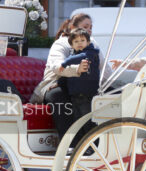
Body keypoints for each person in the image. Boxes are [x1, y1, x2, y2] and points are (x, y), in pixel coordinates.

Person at [32, 12, 102, 140]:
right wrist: (77, 69)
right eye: (85, 26)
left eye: (91, 27)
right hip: (54, 84)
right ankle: (70, 143)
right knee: (58, 94)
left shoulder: (92, 45)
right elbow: (57, 66)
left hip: (83, 85)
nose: (89, 30)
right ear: (72, 27)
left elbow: (103, 68)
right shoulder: (61, 43)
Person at [59, 27, 100, 131]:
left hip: (87, 95)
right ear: (72, 45)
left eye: (82, 40)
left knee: (88, 122)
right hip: (76, 95)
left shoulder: (91, 53)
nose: (79, 43)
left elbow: (80, 57)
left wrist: (65, 63)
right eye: (76, 41)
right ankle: (82, 145)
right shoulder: (75, 54)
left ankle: (91, 145)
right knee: (77, 122)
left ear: (88, 42)